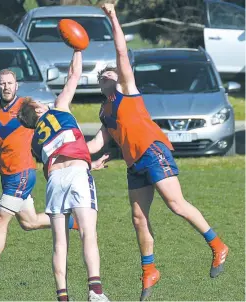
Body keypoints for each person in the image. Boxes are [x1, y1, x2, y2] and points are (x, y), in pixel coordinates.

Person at [86, 4, 229, 301]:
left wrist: (112, 16)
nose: (110, 77)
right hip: (134, 164)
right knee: (138, 218)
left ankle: (217, 245)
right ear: (100, 84)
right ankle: (149, 270)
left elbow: (122, 53)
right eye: (104, 77)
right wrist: (70, 155)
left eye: (113, 74)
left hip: (152, 150)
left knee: (175, 204)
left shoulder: (128, 91)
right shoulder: (105, 110)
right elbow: (97, 143)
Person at [0, 69, 78, 290]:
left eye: (10, 83)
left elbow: (51, 116)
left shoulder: (26, 106)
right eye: (2, 83)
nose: (6, 87)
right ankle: (73, 221)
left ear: (16, 86)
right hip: (6, 172)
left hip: (22, 173)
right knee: (28, 222)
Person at [17, 50, 109, 302]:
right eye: (37, 102)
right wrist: (78, 47)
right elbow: (74, 74)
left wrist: (90, 164)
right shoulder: (59, 107)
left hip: (56, 180)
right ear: (36, 110)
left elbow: (67, 151)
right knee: (87, 233)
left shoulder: (35, 142)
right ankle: (95, 291)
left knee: (60, 244)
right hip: (77, 173)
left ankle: (63, 297)